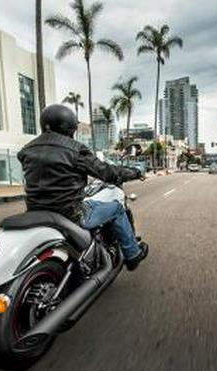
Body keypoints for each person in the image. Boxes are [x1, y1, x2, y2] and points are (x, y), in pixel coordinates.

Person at [17, 104, 148, 271]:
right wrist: (135, 173)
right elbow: (107, 173)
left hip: (35, 211)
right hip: (71, 212)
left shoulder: (27, 150)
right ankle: (133, 255)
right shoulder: (75, 149)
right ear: (70, 127)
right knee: (116, 207)